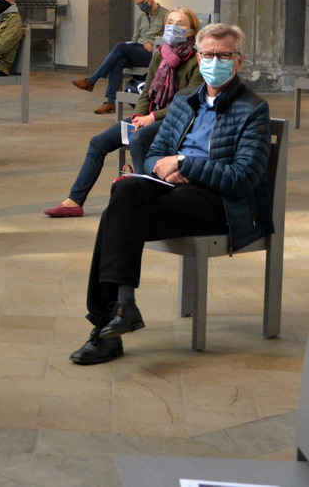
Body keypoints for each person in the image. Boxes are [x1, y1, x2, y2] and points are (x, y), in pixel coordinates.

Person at [69, 24, 273, 365]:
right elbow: (154, 151)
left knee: (115, 215)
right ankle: (119, 312)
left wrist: (185, 165)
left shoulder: (252, 108)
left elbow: (243, 178)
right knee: (124, 197)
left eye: (224, 55)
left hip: (219, 202)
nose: (214, 62)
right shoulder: (183, 101)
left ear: (239, 61)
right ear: (198, 55)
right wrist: (164, 168)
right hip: (174, 192)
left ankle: (110, 323)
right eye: (208, 54)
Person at [45, 7, 203, 218]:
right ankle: (74, 200)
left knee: (138, 139)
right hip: (148, 116)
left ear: (192, 32)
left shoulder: (196, 61)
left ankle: (144, 199)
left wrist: (152, 117)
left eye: (180, 24)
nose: (173, 27)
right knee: (98, 142)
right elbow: (147, 92)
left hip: (175, 122)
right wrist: (138, 116)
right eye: (170, 22)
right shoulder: (161, 55)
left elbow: (186, 103)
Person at [72, 0, 170, 114]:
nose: (140, 6)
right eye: (138, 4)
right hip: (138, 50)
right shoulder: (141, 18)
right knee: (119, 60)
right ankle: (111, 102)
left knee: (120, 46)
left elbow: (169, 40)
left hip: (153, 54)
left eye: (142, 3)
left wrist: (155, 47)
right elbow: (135, 37)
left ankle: (92, 80)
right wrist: (134, 44)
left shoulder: (166, 15)